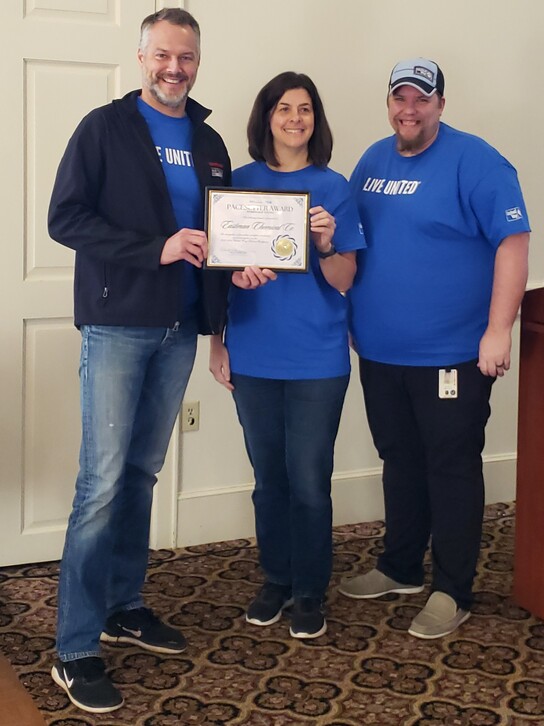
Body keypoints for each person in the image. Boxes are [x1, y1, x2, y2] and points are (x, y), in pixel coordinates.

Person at [47, 8, 233, 714]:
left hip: (179, 329)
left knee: (141, 475)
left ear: (197, 61)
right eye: (163, 55)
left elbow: (218, 235)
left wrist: (228, 296)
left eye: (186, 57)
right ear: (141, 56)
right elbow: (66, 219)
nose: (174, 68)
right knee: (100, 483)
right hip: (117, 325)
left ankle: (124, 605)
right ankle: (74, 647)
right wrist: (151, 249)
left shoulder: (208, 141)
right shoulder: (104, 128)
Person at [339, 58, 530, 639]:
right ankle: (399, 565)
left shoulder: (477, 161)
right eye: (401, 98)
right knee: (399, 459)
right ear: (390, 103)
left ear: (441, 104)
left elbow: (513, 242)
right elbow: (351, 246)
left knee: (450, 467)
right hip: (380, 351)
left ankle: (452, 587)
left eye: (422, 98)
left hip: (452, 354)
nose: (410, 108)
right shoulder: (371, 161)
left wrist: (499, 328)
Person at [210, 72, 365, 639]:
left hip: (318, 358)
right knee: (267, 479)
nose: (294, 118)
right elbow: (219, 275)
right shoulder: (238, 182)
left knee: (308, 480)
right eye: (283, 108)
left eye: (304, 109)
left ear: (315, 121)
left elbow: (346, 277)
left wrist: (324, 244)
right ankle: (275, 578)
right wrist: (217, 339)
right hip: (252, 353)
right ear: (266, 117)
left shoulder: (335, 186)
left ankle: (308, 590)